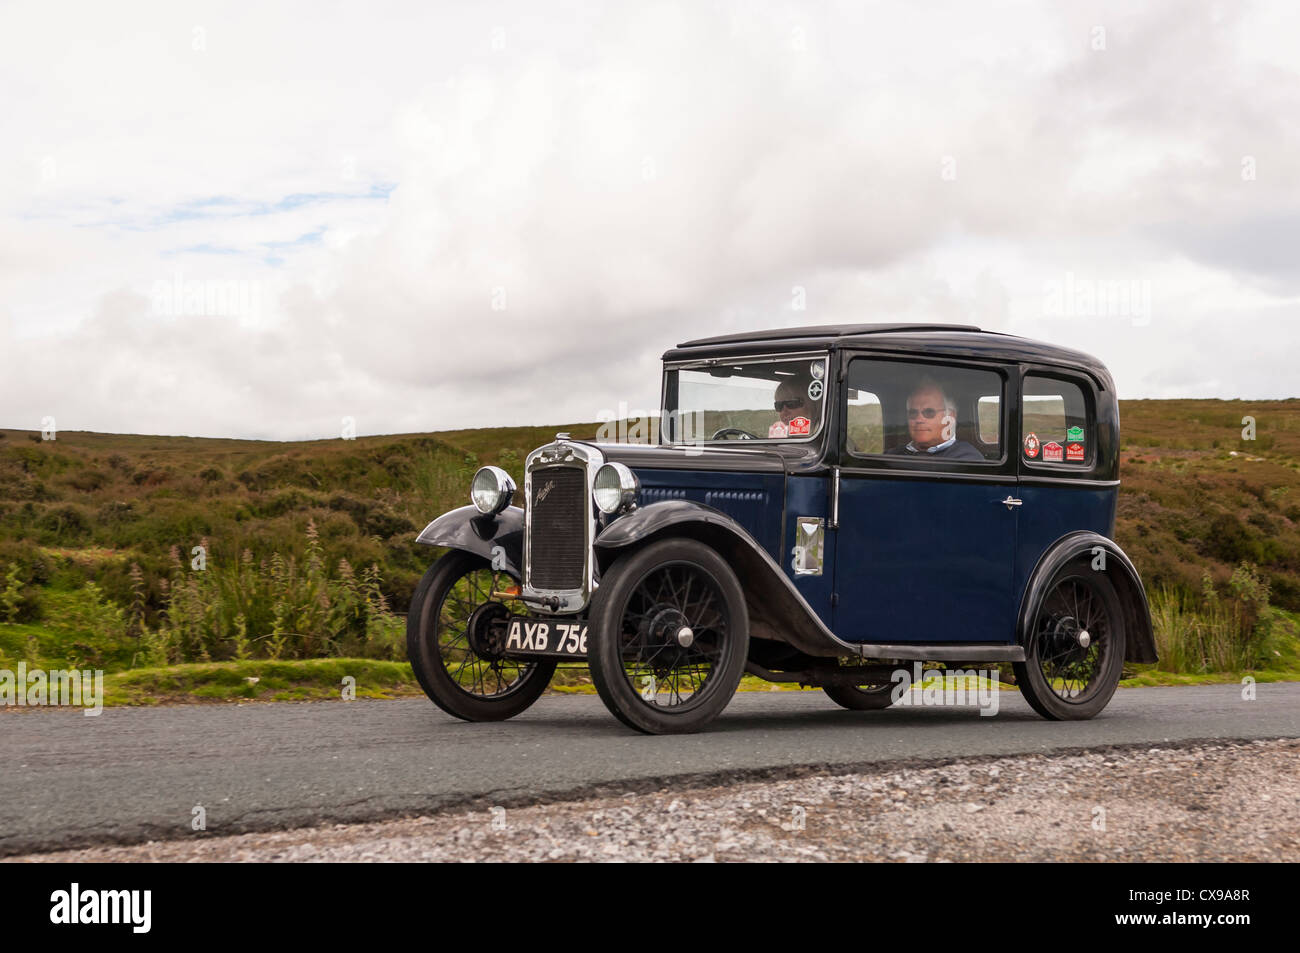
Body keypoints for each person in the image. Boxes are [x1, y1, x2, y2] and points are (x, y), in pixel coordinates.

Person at [885, 378, 984, 460]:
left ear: (950, 416)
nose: (919, 419)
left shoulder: (967, 458)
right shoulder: (892, 455)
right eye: (913, 413)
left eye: (929, 412)